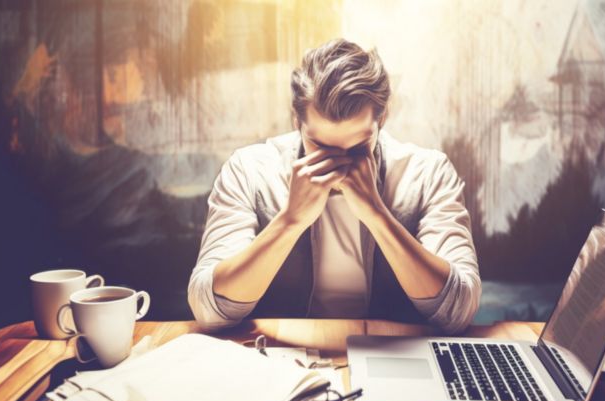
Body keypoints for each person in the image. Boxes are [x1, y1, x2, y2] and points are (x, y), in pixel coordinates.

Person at [188, 39, 481, 334]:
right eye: (321, 147)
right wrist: (290, 222)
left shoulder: (428, 173)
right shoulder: (249, 171)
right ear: (297, 123)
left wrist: (377, 215)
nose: (340, 164)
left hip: (396, 358)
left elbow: (457, 312)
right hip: (281, 362)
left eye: (357, 147)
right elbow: (210, 311)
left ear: (382, 121)